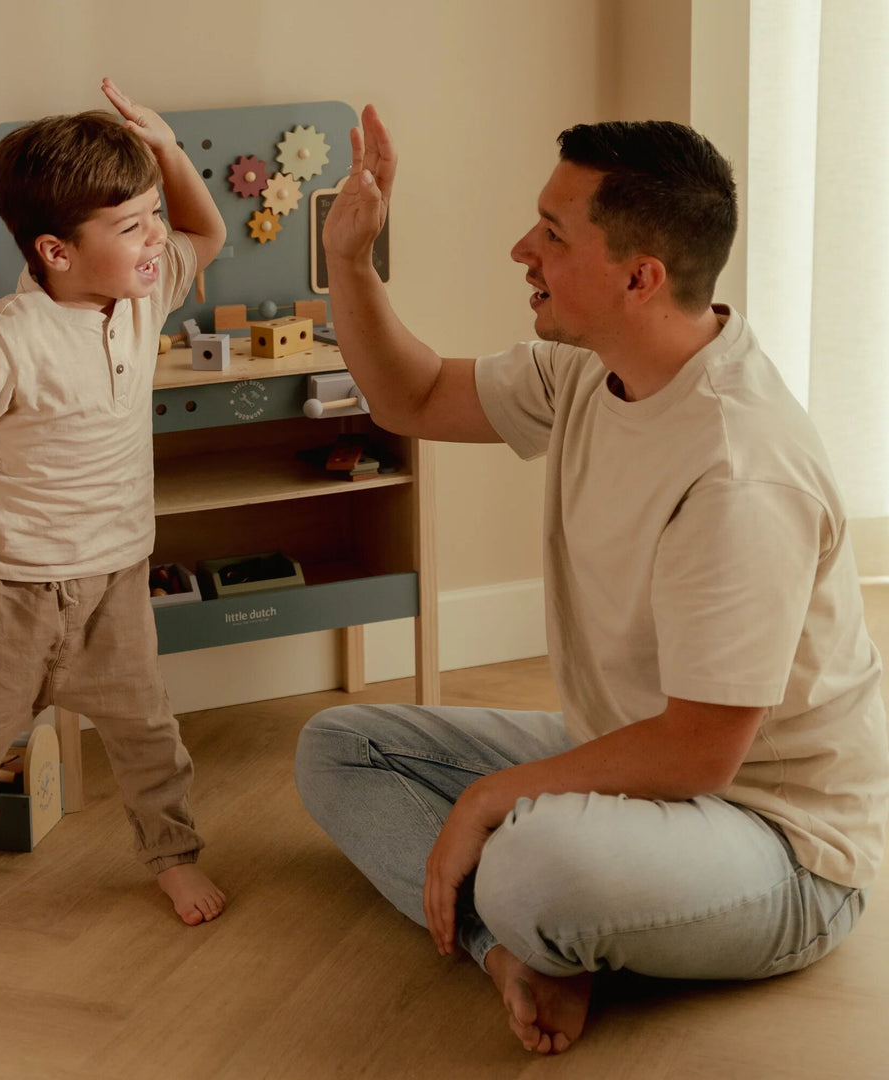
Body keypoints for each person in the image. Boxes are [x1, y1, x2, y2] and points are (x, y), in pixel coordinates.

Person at [294, 106, 889, 1054]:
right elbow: (407, 395)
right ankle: (510, 952)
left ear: (640, 277)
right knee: (338, 748)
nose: (522, 247)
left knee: (534, 867)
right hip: (634, 770)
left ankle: (533, 918)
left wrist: (491, 801)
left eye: (553, 233)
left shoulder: (738, 467)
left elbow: (702, 755)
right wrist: (352, 263)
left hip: (778, 843)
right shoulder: (588, 373)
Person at [0, 79, 227, 937]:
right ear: (55, 250)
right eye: (131, 226)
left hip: (116, 575)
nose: (156, 236)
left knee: (148, 732)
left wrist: (169, 155)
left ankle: (173, 854)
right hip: (7, 586)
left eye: (152, 213)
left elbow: (209, 231)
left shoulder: (145, 296)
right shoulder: (9, 336)